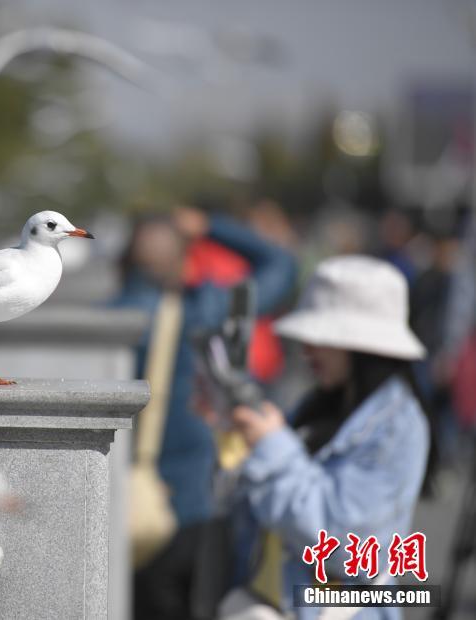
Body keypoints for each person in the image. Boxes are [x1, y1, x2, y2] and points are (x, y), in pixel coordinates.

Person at [217, 255, 430, 620]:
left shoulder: (397, 425)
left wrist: (271, 446)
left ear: (361, 345)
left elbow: (341, 544)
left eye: (321, 337)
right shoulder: (323, 403)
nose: (306, 349)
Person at [114, 206, 297, 620]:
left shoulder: (111, 317)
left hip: (130, 502)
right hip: (201, 499)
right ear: (185, 256)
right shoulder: (210, 307)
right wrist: (210, 227)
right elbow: (282, 266)